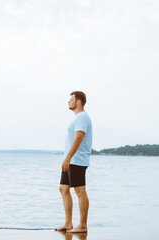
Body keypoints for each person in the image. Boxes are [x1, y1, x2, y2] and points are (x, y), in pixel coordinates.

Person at [55, 91, 92, 233]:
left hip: (77, 160)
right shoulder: (77, 118)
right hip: (71, 160)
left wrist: (68, 158)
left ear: (78, 102)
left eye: (71, 99)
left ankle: (82, 226)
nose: (68, 102)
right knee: (63, 188)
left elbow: (78, 138)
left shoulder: (82, 117)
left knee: (79, 190)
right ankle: (68, 223)